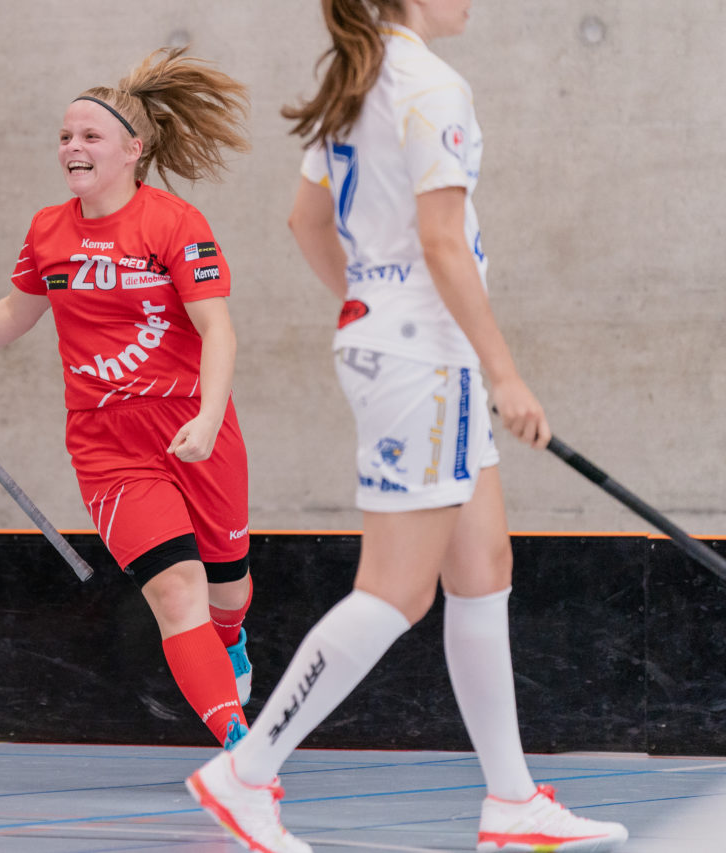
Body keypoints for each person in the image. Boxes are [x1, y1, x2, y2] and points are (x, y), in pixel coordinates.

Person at [185, 2, 630, 852]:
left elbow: (306, 223)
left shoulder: (358, 80)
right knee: (396, 588)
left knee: (483, 565)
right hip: (426, 359)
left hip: (411, 350)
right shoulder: (429, 83)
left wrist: (369, 306)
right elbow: (442, 242)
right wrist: (504, 371)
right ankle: (245, 774)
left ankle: (511, 800)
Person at [0, 47, 258, 749]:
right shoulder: (49, 232)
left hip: (194, 426)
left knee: (227, 589)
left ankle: (230, 644)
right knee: (178, 591)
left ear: (132, 150)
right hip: (109, 445)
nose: (72, 147)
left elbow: (218, 329)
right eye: (64, 136)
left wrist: (208, 417)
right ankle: (240, 746)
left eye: (89, 136)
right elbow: (17, 312)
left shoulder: (175, 223)